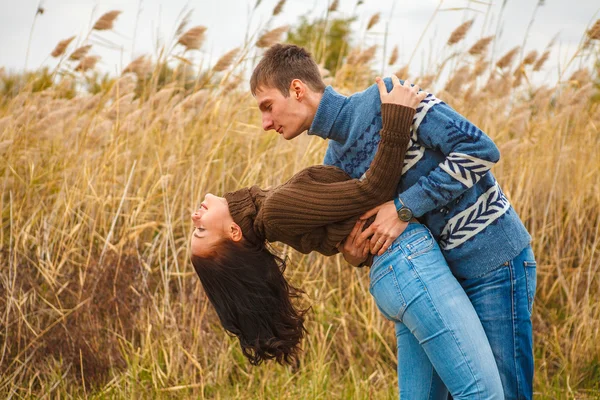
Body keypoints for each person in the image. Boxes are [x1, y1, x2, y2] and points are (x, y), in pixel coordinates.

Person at [250, 44, 537, 400]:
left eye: (267, 107)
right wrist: (357, 254)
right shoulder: (334, 162)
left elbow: (479, 150)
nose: (265, 123)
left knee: (506, 394)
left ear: (297, 89)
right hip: (441, 283)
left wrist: (404, 207)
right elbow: (378, 233)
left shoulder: (389, 101)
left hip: (494, 263)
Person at [190, 77, 504, 399]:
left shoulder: (271, 211)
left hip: (395, 269)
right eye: (200, 230)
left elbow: (342, 227)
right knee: (482, 393)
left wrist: (353, 252)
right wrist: (396, 117)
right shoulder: (274, 212)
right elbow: (372, 191)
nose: (195, 216)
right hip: (409, 263)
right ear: (233, 232)